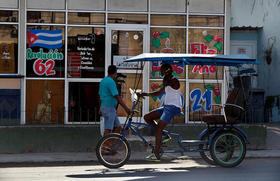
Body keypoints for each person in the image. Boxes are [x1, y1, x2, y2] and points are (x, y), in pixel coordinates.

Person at [138, 63, 183, 161]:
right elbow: (159, 92)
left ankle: (156, 153)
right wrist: (146, 94)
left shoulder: (175, 80)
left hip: (173, 107)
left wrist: (166, 77)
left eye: (162, 70)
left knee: (158, 129)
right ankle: (164, 134)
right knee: (147, 117)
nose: (160, 72)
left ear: (167, 70)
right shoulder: (167, 81)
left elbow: (169, 83)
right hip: (166, 107)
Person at [99, 65, 131, 136]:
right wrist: (126, 108)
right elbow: (117, 96)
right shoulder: (111, 82)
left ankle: (111, 144)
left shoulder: (103, 80)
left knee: (118, 127)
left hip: (105, 107)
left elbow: (100, 95)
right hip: (109, 107)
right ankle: (105, 145)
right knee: (108, 129)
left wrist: (100, 108)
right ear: (115, 73)